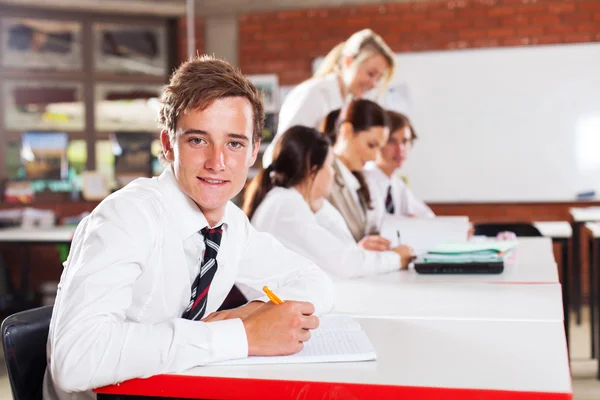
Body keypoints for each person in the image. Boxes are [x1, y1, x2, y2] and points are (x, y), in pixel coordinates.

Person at [43, 56, 335, 400]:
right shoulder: (127, 217)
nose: (217, 162)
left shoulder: (231, 225)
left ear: (254, 151)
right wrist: (240, 334)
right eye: (198, 140)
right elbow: (75, 360)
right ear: (168, 145)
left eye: (234, 143)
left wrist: (257, 316)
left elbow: (317, 284)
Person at [244, 126, 414, 281]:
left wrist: (318, 204)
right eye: (330, 166)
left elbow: (344, 249)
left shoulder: (290, 201)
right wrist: (397, 258)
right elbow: (346, 265)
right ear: (313, 171)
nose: (332, 174)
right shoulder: (286, 204)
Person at [262, 29, 395, 167]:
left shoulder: (346, 103)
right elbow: (286, 150)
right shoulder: (315, 94)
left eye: (379, 78)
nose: (374, 84)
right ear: (348, 62)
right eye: (371, 73)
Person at [326, 98, 391, 242]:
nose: (374, 157)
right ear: (347, 131)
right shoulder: (323, 178)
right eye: (371, 145)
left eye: (379, 148)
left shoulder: (359, 180)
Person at [364, 111, 434, 222]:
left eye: (405, 141)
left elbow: (428, 218)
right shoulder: (364, 182)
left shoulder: (397, 185)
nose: (400, 149)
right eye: (391, 141)